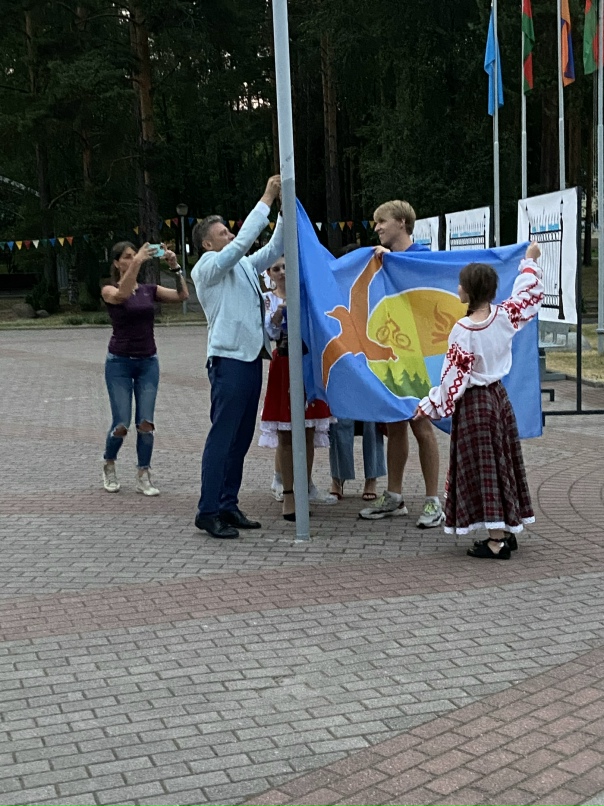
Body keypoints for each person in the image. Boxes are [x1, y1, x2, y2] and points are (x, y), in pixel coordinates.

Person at [414, 243, 543, 559]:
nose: (457, 288)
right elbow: (528, 295)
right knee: (503, 465)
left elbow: (453, 381)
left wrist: (430, 405)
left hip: (475, 405)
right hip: (499, 399)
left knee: (485, 471)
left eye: (461, 284)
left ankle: (496, 541)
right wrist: (529, 262)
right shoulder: (504, 316)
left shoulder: (464, 329)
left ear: (469, 291)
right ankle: (508, 532)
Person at [191, 175, 283, 539]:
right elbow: (241, 245)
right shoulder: (208, 266)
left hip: (249, 359)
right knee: (222, 436)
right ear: (206, 242)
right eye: (222, 233)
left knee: (240, 438)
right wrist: (265, 198)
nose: (229, 237)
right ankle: (207, 509)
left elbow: (273, 248)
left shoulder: (242, 264)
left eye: (229, 232)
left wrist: (284, 208)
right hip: (227, 361)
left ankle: (227, 504)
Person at [359, 200, 443, 527]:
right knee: (394, 423)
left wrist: (391, 262)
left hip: (417, 359)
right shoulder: (380, 260)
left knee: (420, 424)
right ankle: (394, 496)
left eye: (382, 221)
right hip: (391, 357)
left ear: (402, 222)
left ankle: (433, 501)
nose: (377, 227)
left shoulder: (422, 257)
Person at [101, 241, 189, 496]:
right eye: (126, 257)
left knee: (146, 423)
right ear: (117, 263)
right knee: (121, 423)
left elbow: (182, 296)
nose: (132, 259)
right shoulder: (109, 289)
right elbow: (121, 296)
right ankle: (109, 463)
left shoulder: (149, 290)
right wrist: (138, 261)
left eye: (133, 256)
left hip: (148, 361)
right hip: (119, 362)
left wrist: (175, 267)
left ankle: (143, 474)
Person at [259, 257, 334, 520]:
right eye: (276, 268)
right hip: (284, 362)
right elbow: (269, 331)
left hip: (309, 361)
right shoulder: (268, 299)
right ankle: (289, 493)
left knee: (310, 428)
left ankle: (306, 485)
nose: (282, 272)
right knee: (286, 431)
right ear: (269, 273)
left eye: (285, 267)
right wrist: (282, 310)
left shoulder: (307, 292)